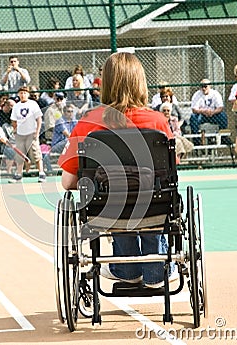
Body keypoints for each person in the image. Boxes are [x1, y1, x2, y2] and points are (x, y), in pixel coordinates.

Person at [58, 52, 177, 288]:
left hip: (107, 209)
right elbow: (171, 173)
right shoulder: (158, 122)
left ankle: (125, 268)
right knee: (152, 194)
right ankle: (157, 270)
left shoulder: (89, 122)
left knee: (113, 199)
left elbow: (68, 183)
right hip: (154, 205)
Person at [9, 86, 46, 183]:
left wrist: (37, 132)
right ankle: (19, 174)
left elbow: (39, 119)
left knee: (36, 154)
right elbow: (13, 121)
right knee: (20, 155)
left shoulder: (33, 104)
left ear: (28, 94)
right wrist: (16, 131)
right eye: (21, 93)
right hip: (21, 134)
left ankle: (41, 173)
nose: (23, 95)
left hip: (31, 133)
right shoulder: (16, 106)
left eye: (25, 93)